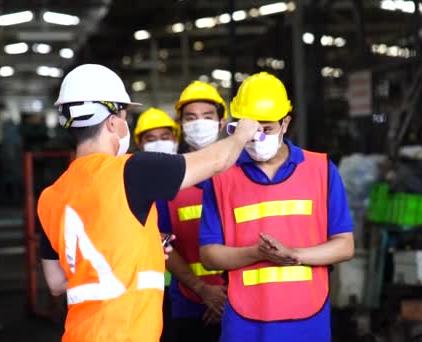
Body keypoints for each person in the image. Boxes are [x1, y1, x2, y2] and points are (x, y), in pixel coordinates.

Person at [37, 64, 259, 342]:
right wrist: (241, 134)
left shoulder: (49, 196)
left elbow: (57, 282)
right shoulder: (132, 170)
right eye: (124, 115)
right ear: (111, 122)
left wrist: (141, 252)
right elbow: (217, 161)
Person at [199, 72, 355, 342]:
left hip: (308, 316)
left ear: (286, 123)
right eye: (250, 129)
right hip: (243, 319)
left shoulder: (321, 170)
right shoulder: (221, 178)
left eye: (267, 128)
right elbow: (209, 255)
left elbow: (344, 245)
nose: (258, 138)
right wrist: (257, 253)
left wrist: (293, 254)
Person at [155, 81, 228, 342]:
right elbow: (161, 240)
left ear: (222, 122)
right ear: (182, 126)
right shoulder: (167, 178)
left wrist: (227, 297)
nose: (199, 123)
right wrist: (203, 290)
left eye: (207, 117)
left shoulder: (243, 173)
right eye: (191, 118)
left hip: (240, 302)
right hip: (187, 303)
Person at [133, 107, 180, 342]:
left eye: (164, 137)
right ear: (139, 144)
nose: (159, 143)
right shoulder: (133, 182)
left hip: (181, 288)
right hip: (149, 285)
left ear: (175, 139)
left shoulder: (189, 178)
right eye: (151, 139)